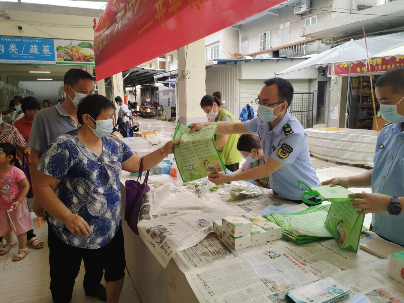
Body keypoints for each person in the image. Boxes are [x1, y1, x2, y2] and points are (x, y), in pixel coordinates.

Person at [35, 94, 179, 303]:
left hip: (108, 228)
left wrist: (163, 151)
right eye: (108, 117)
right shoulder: (64, 146)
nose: (113, 121)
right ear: (87, 119)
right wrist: (67, 217)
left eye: (113, 116)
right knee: (63, 277)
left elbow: (139, 164)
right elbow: (43, 186)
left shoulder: (114, 144)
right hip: (70, 230)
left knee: (114, 272)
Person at [28, 68, 105, 301]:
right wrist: (40, 199)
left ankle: (92, 286)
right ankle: (61, 295)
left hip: (92, 200)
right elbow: (35, 158)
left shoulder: (94, 116)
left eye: (91, 91)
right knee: (64, 260)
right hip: (61, 201)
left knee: (95, 254)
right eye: (83, 91)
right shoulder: (46, 117)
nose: (88, 96)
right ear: (67, 90)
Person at [191, 78, 319, 202]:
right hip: (280, 195)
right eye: (260, 101)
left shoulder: (293, 135)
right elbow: (233, 127)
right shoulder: (263, 122)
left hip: (304, 198)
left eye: (266, 103)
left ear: (283, 107)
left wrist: (230, 177)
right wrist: (204, 126)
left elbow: (267, 169)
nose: (261, 107)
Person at [321, 67, 404, 246]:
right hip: (380, 232)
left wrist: (392, 203)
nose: (383, 108)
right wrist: (349, 181)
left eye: (386, 101)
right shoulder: (387, 132)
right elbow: (382, 172)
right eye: (379, 101)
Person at [0, 143, 32, 262]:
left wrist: (19, 201)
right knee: (3, 227)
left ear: (9, 158)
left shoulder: (16, 171)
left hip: (16, 206)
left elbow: (25, 186)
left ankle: (23, 248)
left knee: (20, 227)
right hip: (2, 206)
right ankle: (10, 241)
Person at [200, 94, 242, 172]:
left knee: (229, 182)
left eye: (208, 111)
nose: (207, 114)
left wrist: (206, 152)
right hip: (222, 157)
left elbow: (223, 140)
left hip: (230, 158)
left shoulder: (225, 117)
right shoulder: (216, 118)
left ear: (214, 105)